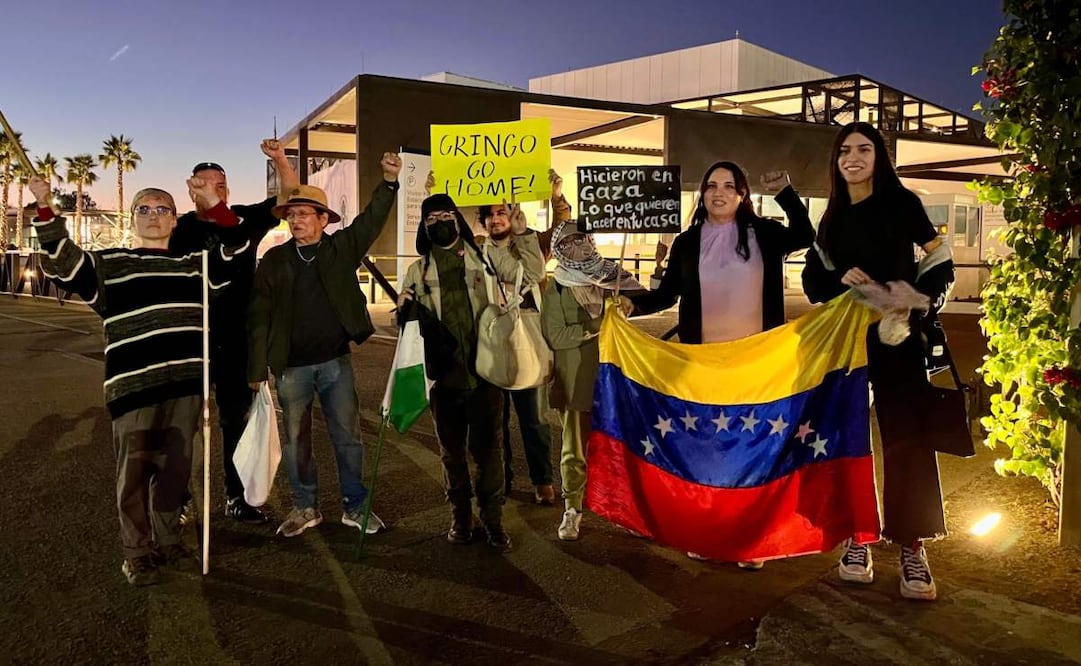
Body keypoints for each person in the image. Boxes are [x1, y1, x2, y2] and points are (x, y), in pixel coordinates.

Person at [29, 175, 249, 586]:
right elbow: (62, 260)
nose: (152, 215)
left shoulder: (195, 267)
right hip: (133, 390)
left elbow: (237, 250)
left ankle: (168, 540)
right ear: (132, 220)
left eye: (161, 209)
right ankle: (137, 551)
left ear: (174, 220)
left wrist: (214, 203)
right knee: (132, 475)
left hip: (186, 388)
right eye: (144, 209)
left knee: (175, 474)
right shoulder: (109, 264)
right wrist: (44, 205)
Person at [625, 161, 814, 567]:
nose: (719, 192)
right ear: (703, 194)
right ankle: (711, 533)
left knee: (753, 451)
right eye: (711, 185)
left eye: (730, 186)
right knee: (709, 453)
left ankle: (752, 540)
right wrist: (628, 303)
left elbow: (804, 234)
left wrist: (785, 191)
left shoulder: (763, 233)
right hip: (704, 364)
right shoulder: (687, 242)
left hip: (757, 365)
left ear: (743, 194)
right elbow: (666, 297)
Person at [802, 121, 954, 602]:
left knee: (907, 439)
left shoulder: (903, 204)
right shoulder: (831, 217)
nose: (853, 157)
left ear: (878, 156)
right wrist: (841, 280)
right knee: (848, 439)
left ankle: (912, 544)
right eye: (845, 150)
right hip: (845, 345)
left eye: (863, 149)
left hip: (898, 339)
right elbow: (813, 281)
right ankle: (856, 537)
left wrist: (923, 299)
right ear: (836, 159)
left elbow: (941, 261)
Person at [247, 153, 401, 538]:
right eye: (292, 214)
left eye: (304, 213)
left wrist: (389, 182)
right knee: (296, 442)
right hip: (290, 368)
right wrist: (256, 370)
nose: (296, 220)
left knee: (347, 438)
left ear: (322, 219)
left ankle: (355, 505)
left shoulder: (340, 248)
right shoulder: (274, 260)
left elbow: (370, 220)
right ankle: (306, 506)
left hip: (335, 362)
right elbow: (259, 316)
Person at [399, 192, 545, 551]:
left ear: (457, 219)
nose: (439, 223)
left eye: (445, 216)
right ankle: (460, 518)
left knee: (489, 452)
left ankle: (493, 520)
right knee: (451, 454)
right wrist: (406, 312)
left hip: (485, 374)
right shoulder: (418, 270)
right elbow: (404, 320)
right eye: (430, 219)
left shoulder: (486, 256)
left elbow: (532, 273)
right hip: (442, 378)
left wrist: (523, 233)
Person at [169, 140, 299, 524]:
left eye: (221, 185)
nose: (214, 191)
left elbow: (290, 196)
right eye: (205, 185)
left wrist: (279, 160)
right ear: (191, 188)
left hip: (237, 336)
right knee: (183, 420)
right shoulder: (179, 229)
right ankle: (178, 497)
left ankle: (237, 495)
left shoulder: (245, 218)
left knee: (234, 420)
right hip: (192, 336)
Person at [542, 219, 643, 540]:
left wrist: (625, 306)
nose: (577, 246)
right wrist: (599, 325)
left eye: (582, 239)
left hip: (612, 378)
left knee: (615, 445)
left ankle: (621, 509)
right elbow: (555, 334)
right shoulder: (556, 286)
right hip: (574, 379)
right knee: (575, 449)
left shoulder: (610, 278)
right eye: (568, 242)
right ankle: (572, 507)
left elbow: (635, 310)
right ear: (558, 249)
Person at [477, 202, 556, 505]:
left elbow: (535, 273)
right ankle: (502, 479)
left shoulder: (529, 241)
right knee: (494, 421)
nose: (496, 219)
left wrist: (557, 199)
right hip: (492, 339)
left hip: (528, 337)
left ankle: (543, 479)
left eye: (501, 213)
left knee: (534, 418)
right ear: (483, 221)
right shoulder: (476, 248)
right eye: (490, 215)